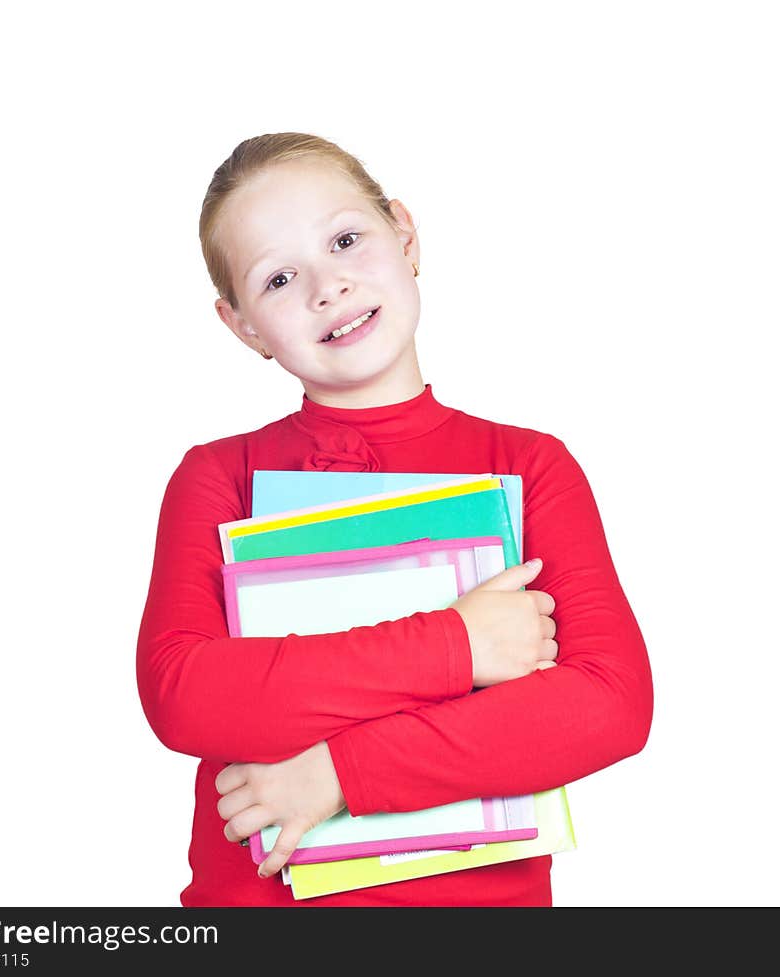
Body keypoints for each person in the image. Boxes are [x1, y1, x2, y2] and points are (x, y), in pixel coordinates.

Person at [135, 131, 653, 907]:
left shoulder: (531, 464)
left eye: (346, 239)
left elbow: (609, 704)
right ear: (242, 325)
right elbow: (186, 693)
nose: (327, 286)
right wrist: (459, 644)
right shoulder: (218, 478)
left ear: (405, 237)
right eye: (279, 278)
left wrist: (337, 775)